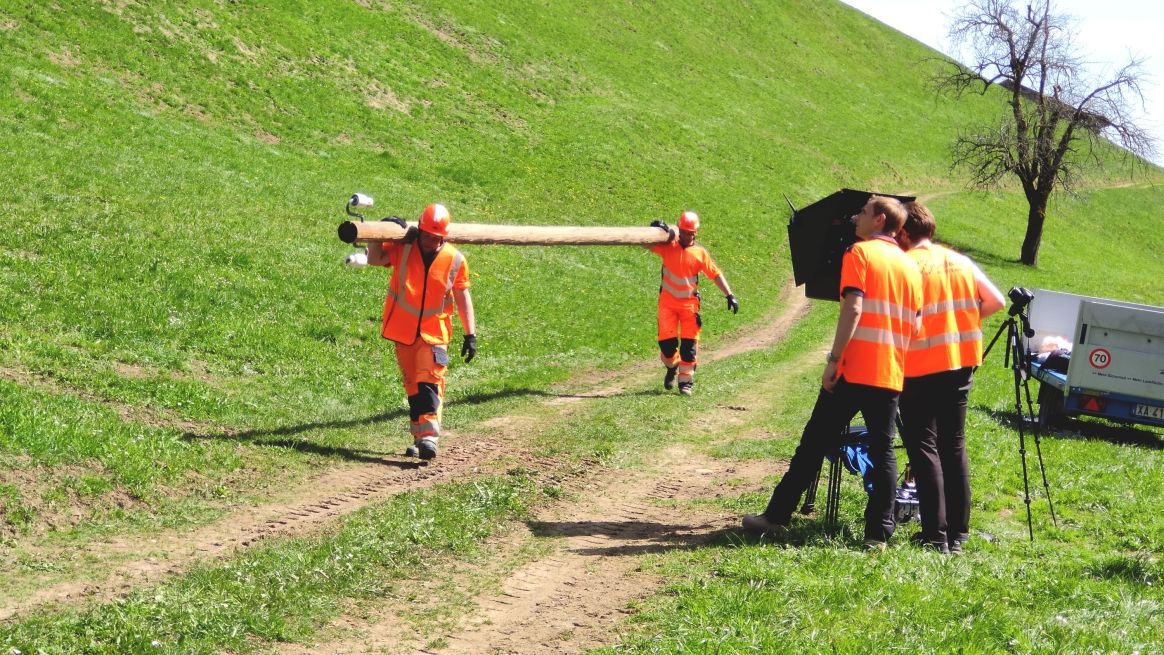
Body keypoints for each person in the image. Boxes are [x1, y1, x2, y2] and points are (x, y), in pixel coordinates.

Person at [742, 195, 921, 550]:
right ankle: (877, 535)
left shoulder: (859, 254)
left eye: (864, 212)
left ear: (880, 220)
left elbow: (853, 308)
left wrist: (835, 359)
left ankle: (776, 517)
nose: (856, 217)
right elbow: (914, 325)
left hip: (853, 371)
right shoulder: (910, 266)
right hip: (889, 372)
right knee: (884, 451)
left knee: (813, 444)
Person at [896, 202, 1004, 553]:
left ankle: (934, 534)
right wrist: (963, 324)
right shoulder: (960, 261)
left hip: (918, 366)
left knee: (924, 448)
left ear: (902, 232)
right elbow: (996, 301)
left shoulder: (907, 264)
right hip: (960, 364)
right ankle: (959, 533)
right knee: (954, 446)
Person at [366, 203, 476, 461]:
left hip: (435, 334)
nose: (430, 241)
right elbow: (374, 258)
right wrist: (378, 233)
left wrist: (470, 334)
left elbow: (462, 296)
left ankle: (429, 437)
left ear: (444, 236)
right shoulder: (404, 247)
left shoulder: (455, 259)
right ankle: (419, 439)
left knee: (430, 381)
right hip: (403, 331)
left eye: (436, 237)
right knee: (413, 387)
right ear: (420, 228)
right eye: (426, 235)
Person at [647, 211, 738, 396]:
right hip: (667, 305)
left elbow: (715, 274)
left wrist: (730, 295)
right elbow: (644, 243)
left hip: (689, 307)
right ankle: (672, 366)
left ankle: (685, 384)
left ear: (696, 233)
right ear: (679, 230)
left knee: (689, 348)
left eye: (691, 233)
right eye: (685, 232)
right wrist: (654, 229)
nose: (688, 236)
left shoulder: (700, 253)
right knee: (667, 346)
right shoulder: (667, 246)